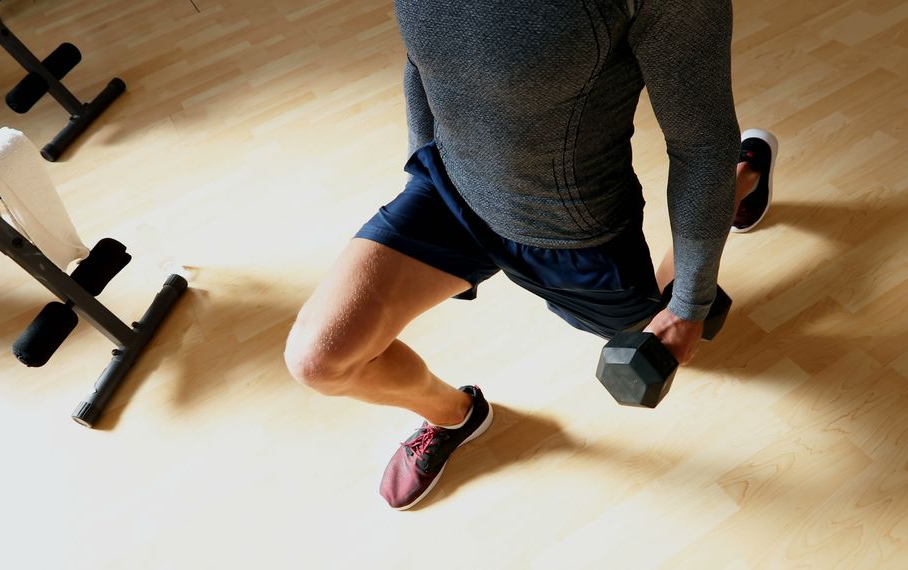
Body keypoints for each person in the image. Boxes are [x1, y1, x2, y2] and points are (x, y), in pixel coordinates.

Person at [284, 0, 778, 510]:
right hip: (451, 189)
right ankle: (456, 416)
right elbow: (425, 57)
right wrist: (421, 153)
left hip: (574, 233)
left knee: (657, 325)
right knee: (320, 360)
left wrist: (689, 305)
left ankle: (747, 173)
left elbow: (701, 147)